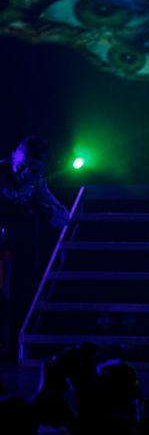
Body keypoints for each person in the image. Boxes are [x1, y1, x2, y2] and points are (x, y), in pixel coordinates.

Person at [0, 135, 69, 355]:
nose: (25, 174)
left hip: (15, 251)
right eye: (22, 167)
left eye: (33, 170)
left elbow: (63, 217)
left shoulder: (37, 182)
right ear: (14, 157)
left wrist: (48, 211)